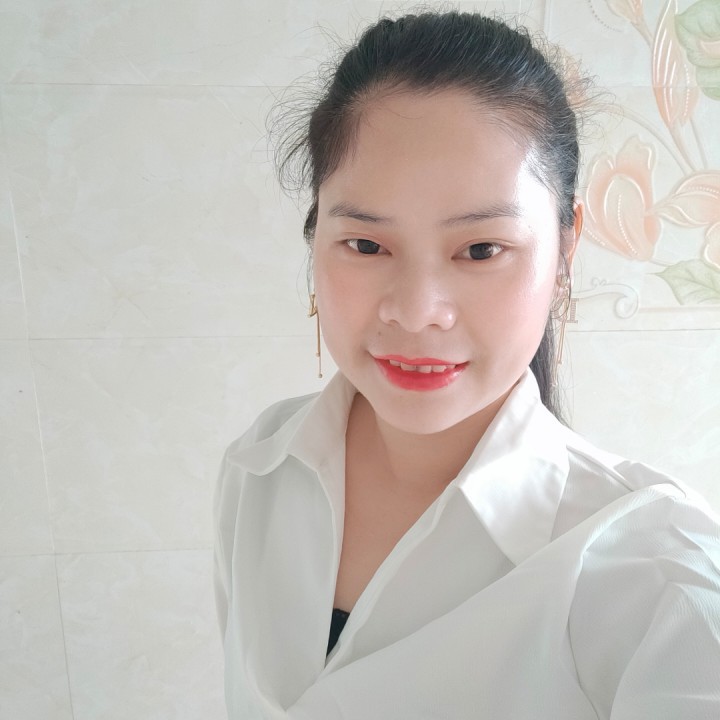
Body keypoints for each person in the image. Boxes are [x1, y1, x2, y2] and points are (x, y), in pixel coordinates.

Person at [213, 10, 720, 719]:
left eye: (481, 250)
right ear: (315, 235)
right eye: (366, 245)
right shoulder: (261, 467)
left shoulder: (658, 572)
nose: (417, 311)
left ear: (566, 247)